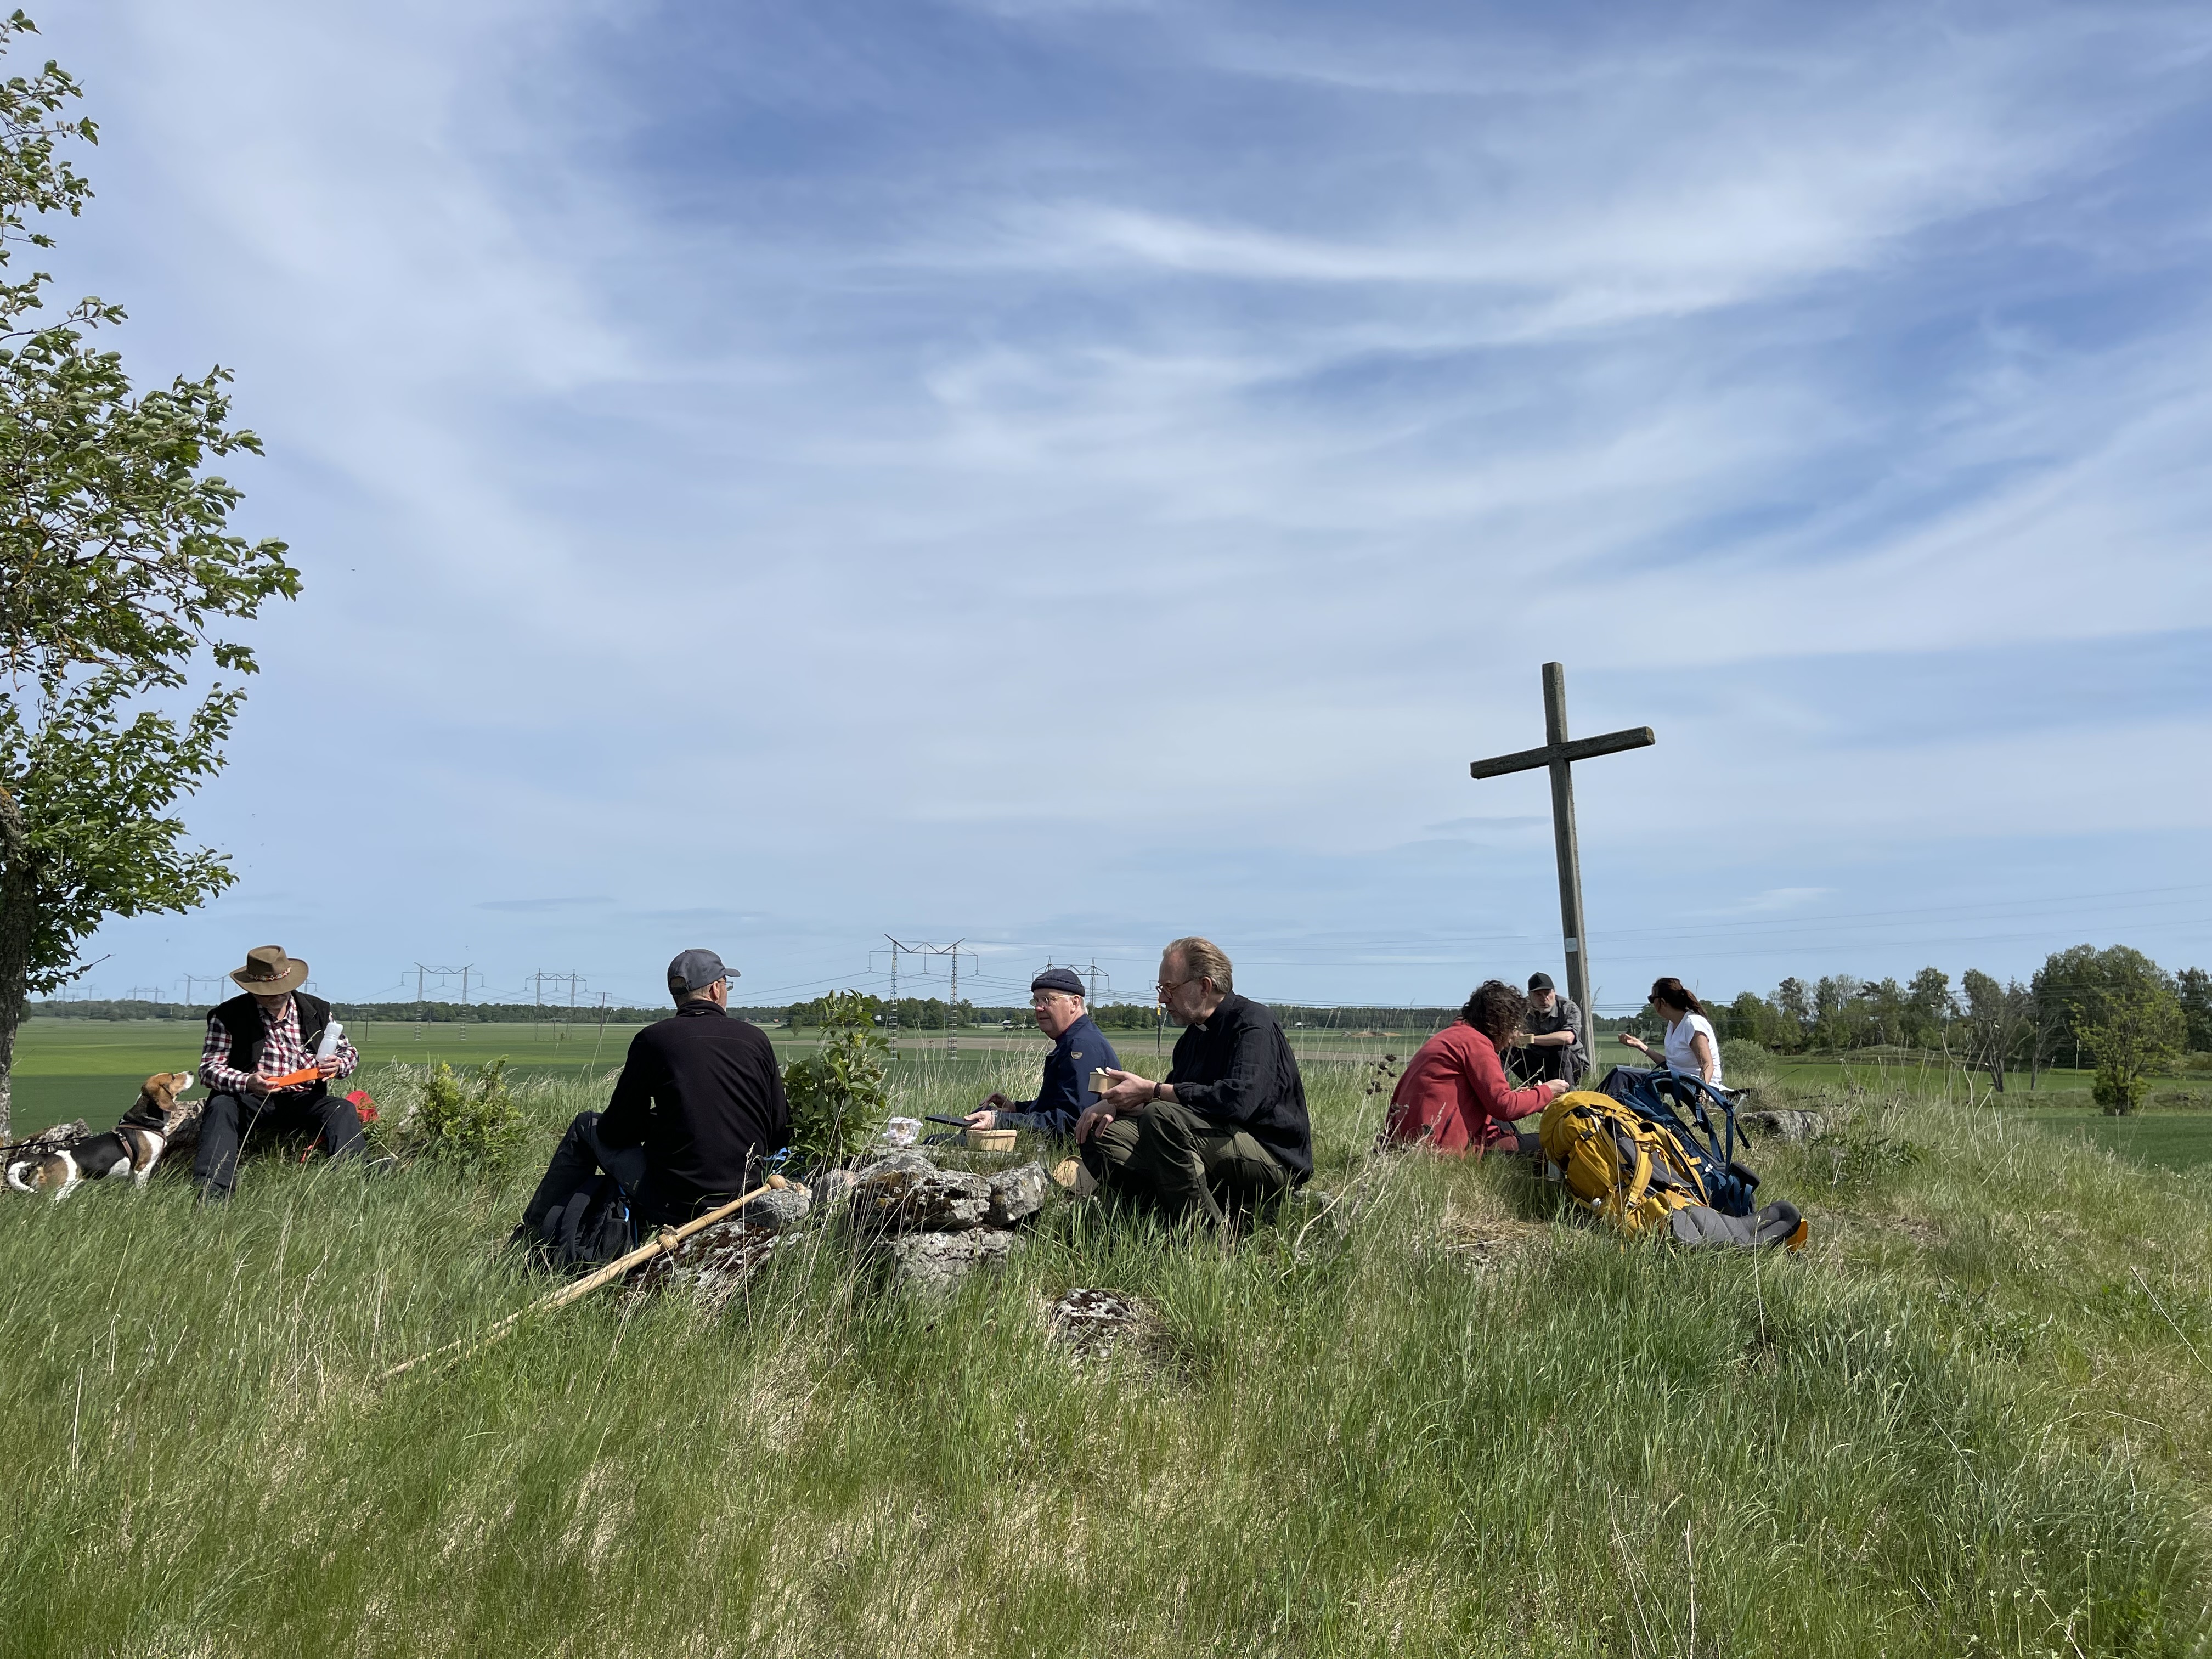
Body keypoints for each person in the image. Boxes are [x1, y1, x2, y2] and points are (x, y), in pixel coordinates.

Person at [518, 949, 789, 1248]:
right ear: (715, 989)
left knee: (587, 1125)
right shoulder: (756, 1039)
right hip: (744, 1195)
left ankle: (530, 1234)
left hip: (674, 1202)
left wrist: (657, 1123)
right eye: (727, 984)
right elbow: (779, 1130)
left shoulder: (654, 1039)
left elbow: (615, 1131)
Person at [1081, 936, 1310, 1226]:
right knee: (1099, 1130)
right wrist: (1116, 1105)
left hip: (1273, 1157)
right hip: (1215, 1145)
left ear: (1204, 986)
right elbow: (1176, 1101)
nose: (1163, 999)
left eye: (1170, 989)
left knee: (1161, 1118)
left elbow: (1239, 1102)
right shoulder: (1191, 1038)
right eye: (1160, 989)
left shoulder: (1252, 1023)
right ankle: (1159, 1215)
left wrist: (1152, 1090)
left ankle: (1206, 1240)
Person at [194, 945, 364, 1201]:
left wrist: (338, 1065)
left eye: (280, 990)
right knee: (220, 1108)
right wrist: (248, 1081)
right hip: (248, 1099)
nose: (275, 996)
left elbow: (349, 1052)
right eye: (266, 993)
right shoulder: (227, 1015)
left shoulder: (317, 1010)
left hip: (303, 1098)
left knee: (342, 1110)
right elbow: (209, 1070)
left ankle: (352, 1185)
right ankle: (213, 1196)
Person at [1382, 980, 1568, 1155]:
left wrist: (1521, 1096)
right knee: (1548, 1141)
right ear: (1501, 1023)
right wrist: (1547, 1092)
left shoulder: (1450, 1036)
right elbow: (1505, 1108)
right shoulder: (1476, 1044)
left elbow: (1491, 1100)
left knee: (1504, 1127)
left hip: (1410, 1140)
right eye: (1514, 1026)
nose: (1515, 1035)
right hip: (1441, 1148)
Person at [962, 967, 1119, 1137]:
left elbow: (1071, 1122)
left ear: (1074, 1003)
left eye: (1047, 1000)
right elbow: (1056, 1107)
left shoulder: (1081, 1046)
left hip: (1069, 1150)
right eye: (1036, 1001)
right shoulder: (1076, 1039)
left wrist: (1000, 1121)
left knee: (936, 1141)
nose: (1038, 1008)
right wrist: (1015, 1109)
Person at [1619, 977, 1724, 1086]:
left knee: (1622, 1078)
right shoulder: (1673, 1024)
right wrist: (1640, 1045)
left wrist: (1702, 1094)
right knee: (1619, 1074)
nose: (1652, 1003)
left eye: (1652, 999)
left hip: (1695, 1086)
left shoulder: (1693, 1023)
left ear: (1662, 1002)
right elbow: (1671, 1065)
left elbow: (1708, 1064)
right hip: (1676, 1081)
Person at [1508, 970, 1587, 1087]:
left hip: (1570, 1065)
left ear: (1554, 992)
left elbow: (1568, 1038)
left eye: (1547, 993)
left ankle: (1567, 1096)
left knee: (1559, 1047)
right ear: (1530, 995)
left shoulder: (1568, 1008)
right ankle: (1500, 1093)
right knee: (1505, 1050)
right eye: (1538, 995)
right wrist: (1513, 1034)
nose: (1544, 999)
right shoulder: (1522, 1008)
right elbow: (1510, 1031)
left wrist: (1530, 1039)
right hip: (1538, 1062)